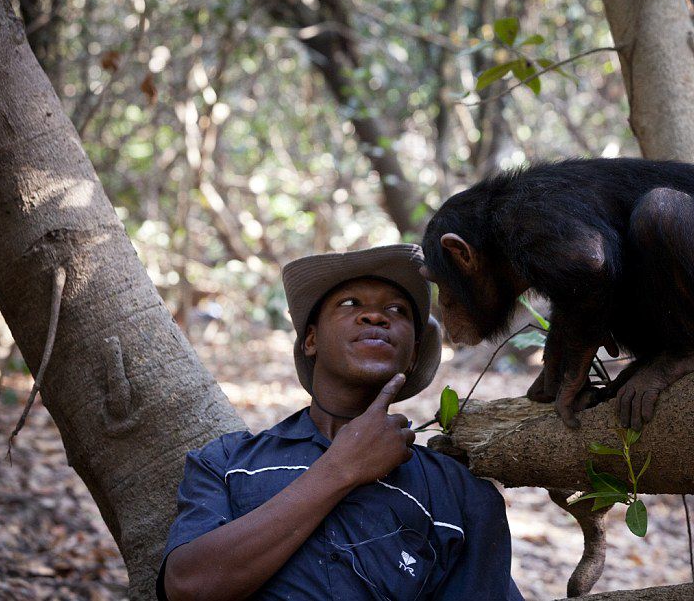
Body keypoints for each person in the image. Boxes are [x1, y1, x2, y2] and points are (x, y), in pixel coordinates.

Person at [156, 244, 523, 601]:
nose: (376, 316)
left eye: (397, 310)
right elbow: (188, 586)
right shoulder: (225, 462)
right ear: (311, 340)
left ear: (412, 355)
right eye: (351, 304)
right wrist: (342, 467)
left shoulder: (462, 493)